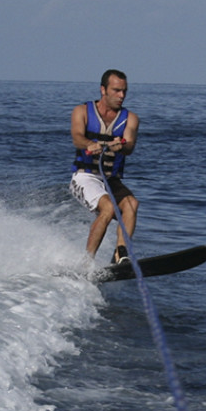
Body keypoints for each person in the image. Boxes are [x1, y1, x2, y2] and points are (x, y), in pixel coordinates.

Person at [69, 69, 140, 265]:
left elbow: (130, 145)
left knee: (131, 205)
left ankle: (120, 254)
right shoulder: (81, 111)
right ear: (103, 90)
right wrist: (88, 144)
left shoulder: (131, 118)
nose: (121, 96)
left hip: (110, 180)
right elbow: (77, 137)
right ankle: (86, 262)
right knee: (107, 208)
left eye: (124, 91)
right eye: (116, 90)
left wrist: (122, 145)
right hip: (85, 177)